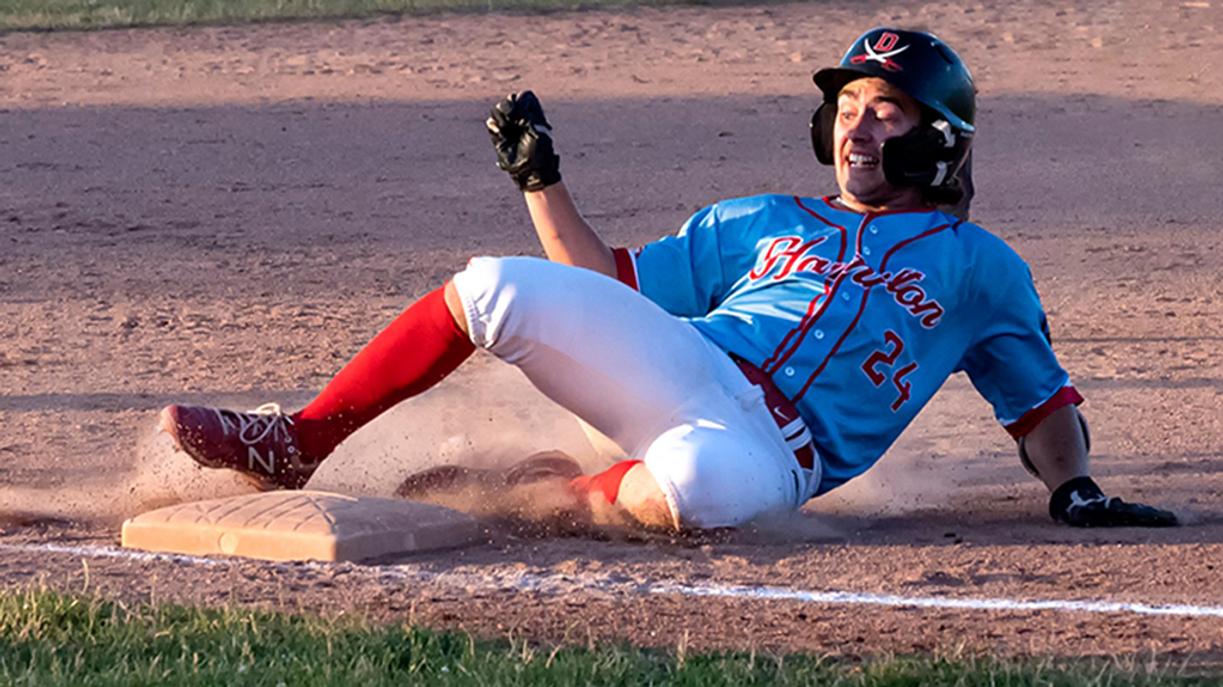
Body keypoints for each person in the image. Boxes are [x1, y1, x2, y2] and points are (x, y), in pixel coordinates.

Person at [160, 28, 1177, 531]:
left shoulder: (981, 269)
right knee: (493, 286)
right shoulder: (763, 220)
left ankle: (546, 494)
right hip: (683, 361)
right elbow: (606, 285)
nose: (857, 126)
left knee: (687, 492)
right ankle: (297, 440)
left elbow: (1036, 400)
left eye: (887, 110)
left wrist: (1074, 489)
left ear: (938, 142)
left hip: (770, 454)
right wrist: (540, 184)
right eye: (850, 105)